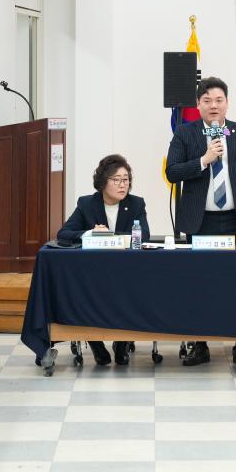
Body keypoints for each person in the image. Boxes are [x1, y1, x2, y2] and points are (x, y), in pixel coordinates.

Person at [165, 76, 236, 367]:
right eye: (207, 100)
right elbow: (172, 172)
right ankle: (199, 344)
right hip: (200, 222)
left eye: (219, 100)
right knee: (199, 285)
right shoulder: (185, 133)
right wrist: (204, 159)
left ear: (227, 103)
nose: (213, 105)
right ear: (198, 104)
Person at [57, 154, 149, 365]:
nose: (123, 185)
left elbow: (144, 235)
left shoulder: (136, 204)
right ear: (103, 182)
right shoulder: (87, 204)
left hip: (126, 272)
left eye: (126, 179)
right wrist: (89, 233)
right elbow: (63, 234)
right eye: (116, 180)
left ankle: (122, 341)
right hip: (94, 273)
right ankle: (95, 341)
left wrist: (111, 237)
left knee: (131, 289)